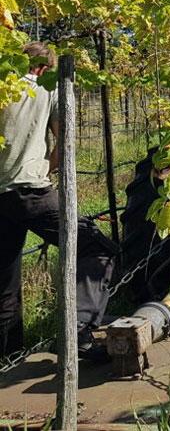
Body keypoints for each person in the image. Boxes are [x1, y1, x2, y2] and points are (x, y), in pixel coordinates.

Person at [0, 42, 117, 360]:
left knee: (6, 282)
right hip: (33, 192)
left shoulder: (2, 84)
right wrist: (44, 167)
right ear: (43, 68)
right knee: (96, 248)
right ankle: (78, 331)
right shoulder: (49, 88)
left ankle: (9, 358)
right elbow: (62, 141)